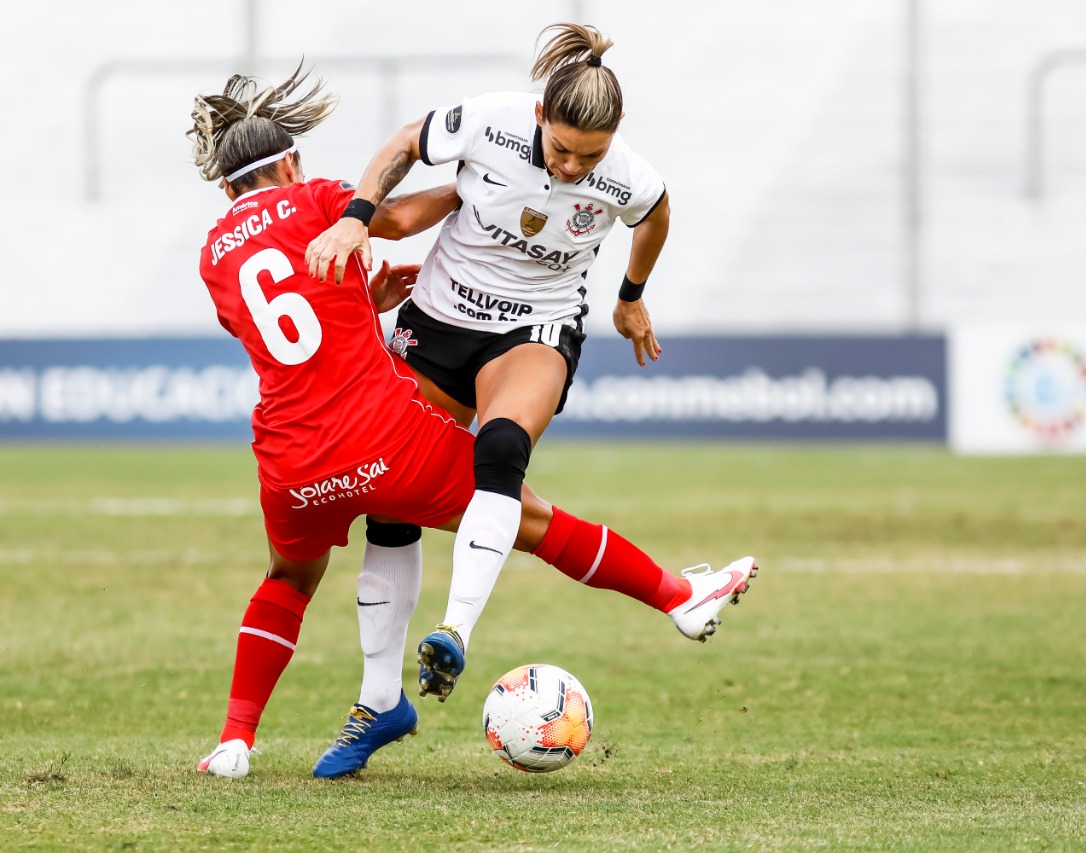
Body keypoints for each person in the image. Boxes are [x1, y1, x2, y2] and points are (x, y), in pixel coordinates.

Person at [189, 64, 757, 781]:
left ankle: (242, 737)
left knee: (291, 577)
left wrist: (367, 299)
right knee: (523, 513)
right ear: (293, 163)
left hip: (290, 461)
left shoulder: (212, 254)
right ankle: (676, 594)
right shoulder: (319, 199)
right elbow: (389, 215)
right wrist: (468, 189)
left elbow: (291, 329)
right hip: (384, 430)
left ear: (224, 185)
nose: (573, 166)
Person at [304, 24, 680, 695]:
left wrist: (630, 296)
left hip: (536, 326)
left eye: (587, 158)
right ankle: (380, 699)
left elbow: (654, 213)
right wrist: (359, 215)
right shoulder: (488, 120)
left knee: (501, 447)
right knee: (393, 499)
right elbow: (404, 145)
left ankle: (454, 631)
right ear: (539, 115)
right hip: (440, 317)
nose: (570, 168)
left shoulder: (627, 173)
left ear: (615, 132)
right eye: (562, 149)